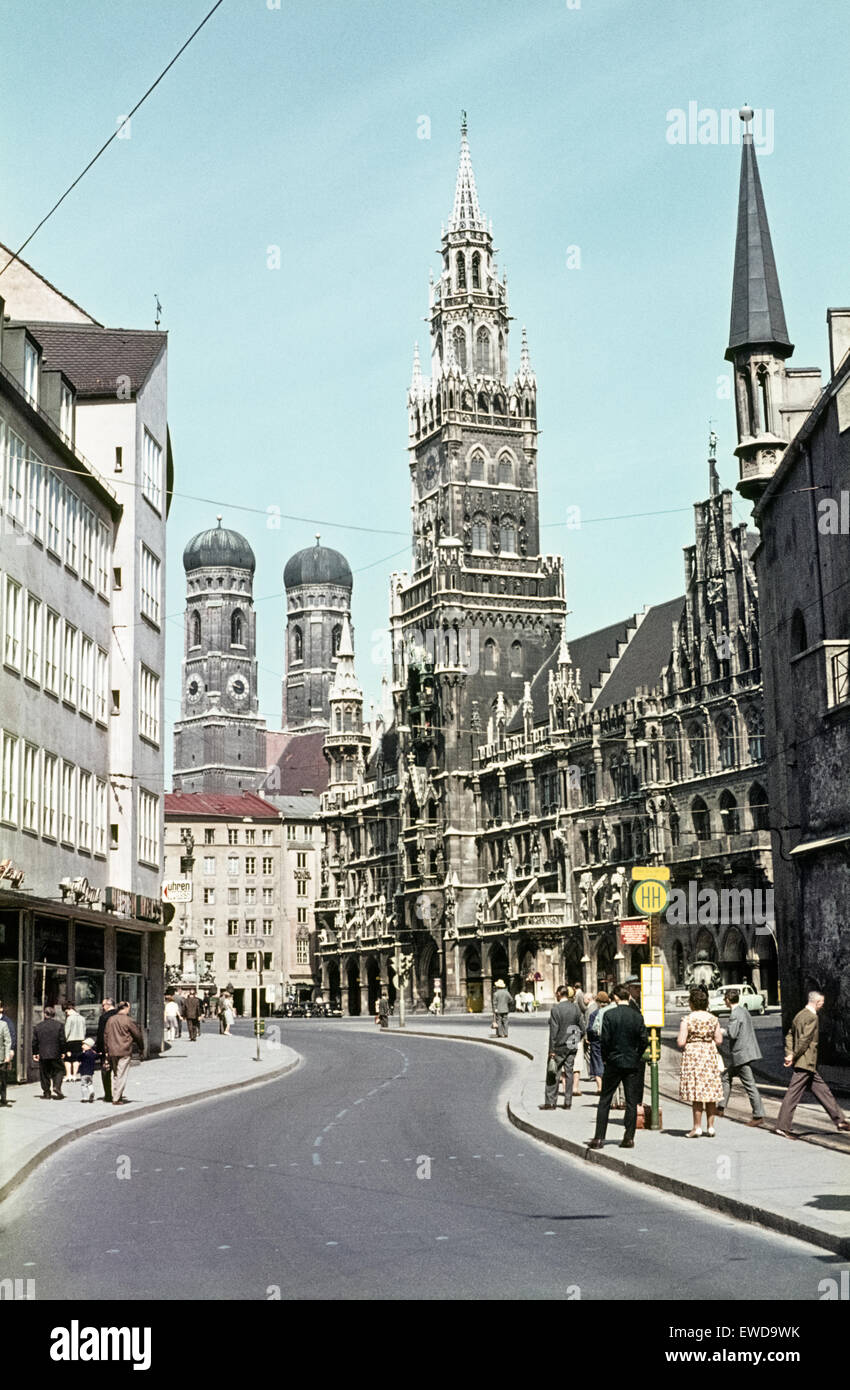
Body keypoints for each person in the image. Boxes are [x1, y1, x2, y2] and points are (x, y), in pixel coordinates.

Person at [775, 991, 850, 1138]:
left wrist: (789, 1052)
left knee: (823, 1091)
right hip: (805, 1062)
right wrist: (793, 1056)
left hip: (805, 1063)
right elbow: (805, 1040)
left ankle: (840, 1120)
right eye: (822, 1003)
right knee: (793, 1094)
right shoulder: (812, 1017)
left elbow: (789, 1035)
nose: (822, 1005)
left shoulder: (799, 1015)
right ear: (817, 1002)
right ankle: (782, 1126)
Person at [587, 985, 648, 1149]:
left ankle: (599, 1138)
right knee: (631, 1101)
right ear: (628, 997)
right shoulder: (637, 1016)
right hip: (631, 1063)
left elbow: (604, 1041)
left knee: (605, 1100)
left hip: (613, 1062)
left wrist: (606, 1058)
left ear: (614, 998)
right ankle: (628, 1138)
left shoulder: (609, 1015)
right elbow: (644, 1040)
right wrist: (636, 1055)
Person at [677, 986, 724, 1137]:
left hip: (693, 1056)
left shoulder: (687, 1019)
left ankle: (697, 1127)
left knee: (697, 1093)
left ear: (692, 1003)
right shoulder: (713, 1019)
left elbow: (681, 1042)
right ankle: (711, 1127)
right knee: (710, 1092)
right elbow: (719, 1040)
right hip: (709, 1055)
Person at [718, 990, 766, 1125]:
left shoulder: (734, 1014)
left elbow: (732, 1034)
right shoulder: (744, 1011)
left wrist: (722, 1031)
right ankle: (720, 1107)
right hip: (746, 1052)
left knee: (749, 1085)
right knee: (726, 1077)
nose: (724, 1001)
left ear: (727, 1000)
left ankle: (758, 1115)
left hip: (741, 1055)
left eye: (724, 999)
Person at [541, 985, 585, 1110]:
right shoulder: (576, 1008)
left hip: (558, 1047)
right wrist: (574, 1041)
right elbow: (582, 1029)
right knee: (569, 1073)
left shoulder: (556, 1009)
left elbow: (553, 1032)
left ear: (559, 994)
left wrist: (551, 1051)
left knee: (553, 1073)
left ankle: (550, 1102)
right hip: (571, 1047)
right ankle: (568, 1102)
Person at [104, 1001, 144, 1105]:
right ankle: (116, 1098)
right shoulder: (128, 1020)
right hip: (124, 1049)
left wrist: (106, 1050)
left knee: (116, 1074)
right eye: (129, 1007)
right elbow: (137, 1034)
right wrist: (141, 1048)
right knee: (121, 1074)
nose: (129, 1009)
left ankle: (116, 1094)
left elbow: (106, 1036)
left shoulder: (110, 1020)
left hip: (112, 1050)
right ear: (125, 1008)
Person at [32, 1005, 67, 1099]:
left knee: (44, 1073)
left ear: (44, 1014)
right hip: (56, 1053)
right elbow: (62, 1040)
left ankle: (46, 1092)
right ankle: (57, 1086)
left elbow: (35, 1041)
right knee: (59, 1070)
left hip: (43, 1053)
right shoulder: (59, 1025)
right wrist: (63, 1051)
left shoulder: (38, 1026)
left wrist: (35, 1053)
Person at [587, 991, 611, 1094]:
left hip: (596, 1042)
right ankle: (607, 1085)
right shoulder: (611, 1011)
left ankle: (600, 1087)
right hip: (609, 1042)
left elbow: (590, 1029)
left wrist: (589, 1039)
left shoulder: (594, 1014)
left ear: (597, 1001)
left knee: (597, 1063)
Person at [94, 998, 118, 1102]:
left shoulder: (104, 1017)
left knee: (106, 1071)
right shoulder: (120, 1015)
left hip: (107, 1049)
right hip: (119, 1048)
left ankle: (108, 1095)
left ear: (108, 1005)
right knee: (118, 1072)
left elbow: (101, 1034)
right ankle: (118, 1094)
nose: (102, 1008)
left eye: (103, 1005)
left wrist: (99, 1049)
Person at [62, 1001, 86, 1082]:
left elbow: (67, 1031)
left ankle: (68, 1075)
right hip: (80, 1040)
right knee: (76, 1059)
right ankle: (74, 1075)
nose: (66, 1013)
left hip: (70, 1040)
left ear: (68, 1009)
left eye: (66, 1011)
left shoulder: (69, 1019)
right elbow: (84, 1030)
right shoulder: (82, 1018)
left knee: (67, 1059)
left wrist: (64, 1040)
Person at [0, 999, 16, 1106]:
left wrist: (7, 1055)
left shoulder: (4, 1024)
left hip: (1, 1057)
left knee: (2, 1079)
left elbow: (8, 1040)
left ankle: (3, 1098)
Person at [78, 1038, 99, 1103]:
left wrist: (82, 1053)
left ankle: (84, 1098)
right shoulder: (93, 1053)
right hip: (90, 1072)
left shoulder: (84, 1054)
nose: (82, 1046)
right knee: (90, 1084)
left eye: (84, 1045)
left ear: (89, 1046)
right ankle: (91, 1092)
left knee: (83, 1085)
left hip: (84, 1072)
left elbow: (78, 1058)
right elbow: (97, 1056)